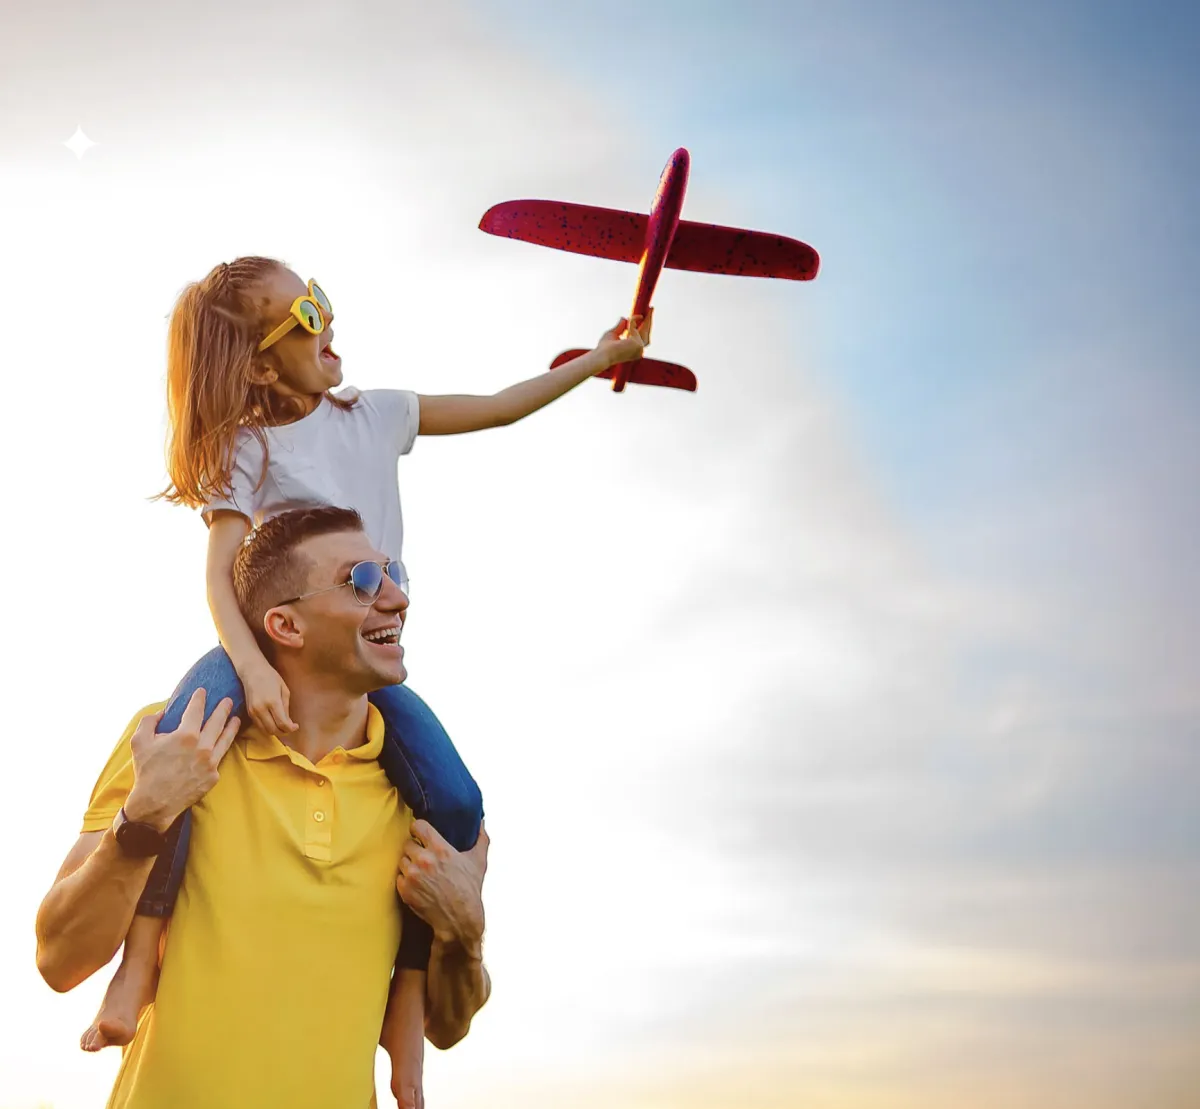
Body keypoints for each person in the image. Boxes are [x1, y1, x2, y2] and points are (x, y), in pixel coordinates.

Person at [71, 255, 647, 1104]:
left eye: (322, 298)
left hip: (359, 657)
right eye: (306, 313)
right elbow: (221, 575)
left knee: (450, 803)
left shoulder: (375, 416)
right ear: (263, 362)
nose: (326, 318)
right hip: (262, 643)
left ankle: (405, 1031)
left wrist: (597, 360)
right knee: (181, 753)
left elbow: (494, 409)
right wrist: (249, 667)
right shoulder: (247, 447)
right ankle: (135, 965)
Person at [35, 506, 492, 1108]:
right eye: (360, 581)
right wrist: (142, 819)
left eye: (393, 575)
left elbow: (449, 1027)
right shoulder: (175, 745)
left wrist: (466, 933)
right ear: (285, 625)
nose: (396, 600)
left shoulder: (421, 799)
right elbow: (59, 961)